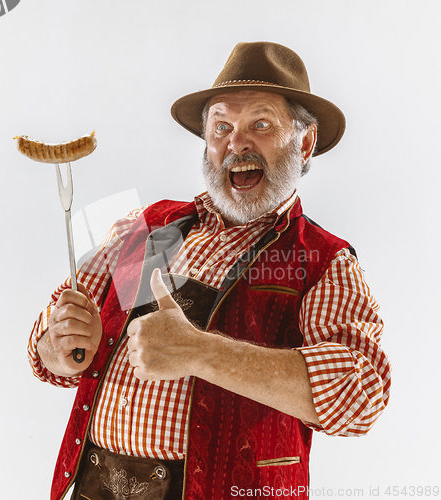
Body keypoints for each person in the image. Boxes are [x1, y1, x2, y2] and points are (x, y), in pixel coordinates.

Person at [28, 42, 391, 500]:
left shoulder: (322, 261)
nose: (236, 142)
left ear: (304, 142)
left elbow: (361, 396)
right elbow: (50, 347)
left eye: (260, 124)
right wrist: (60, 343)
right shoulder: (146, 226)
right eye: (221, 126)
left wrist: (202, 352)